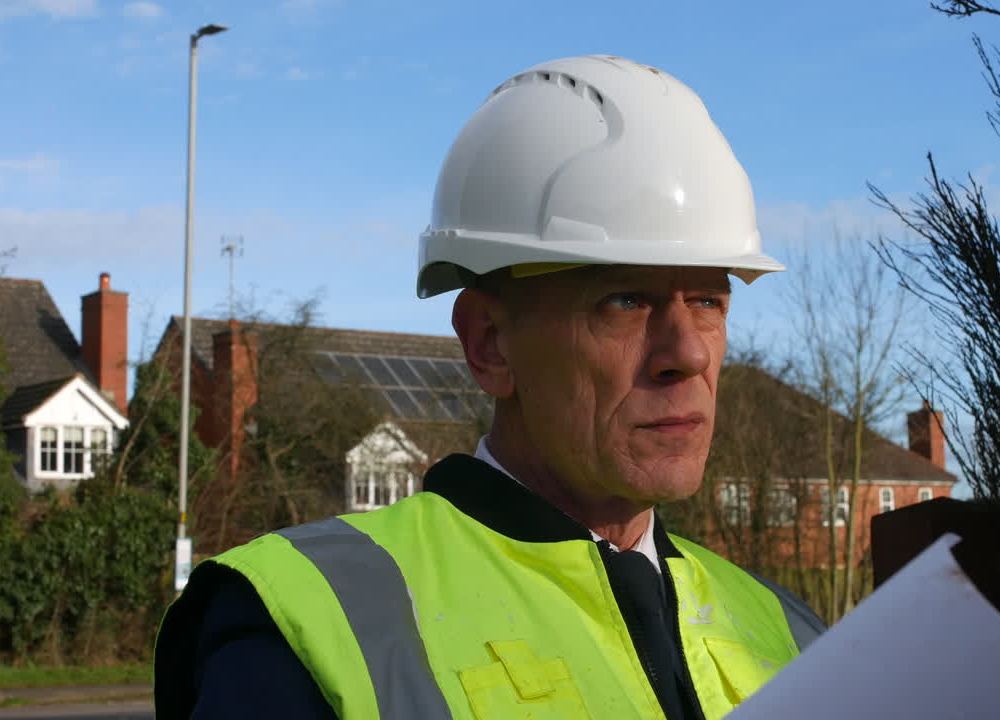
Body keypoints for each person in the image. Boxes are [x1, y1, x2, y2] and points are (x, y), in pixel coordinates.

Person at [154, 54, 826, 720]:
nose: (686, 353)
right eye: (624, 301)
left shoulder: (788, 630)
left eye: (709, 301)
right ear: (490, 345)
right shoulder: (306, 627)